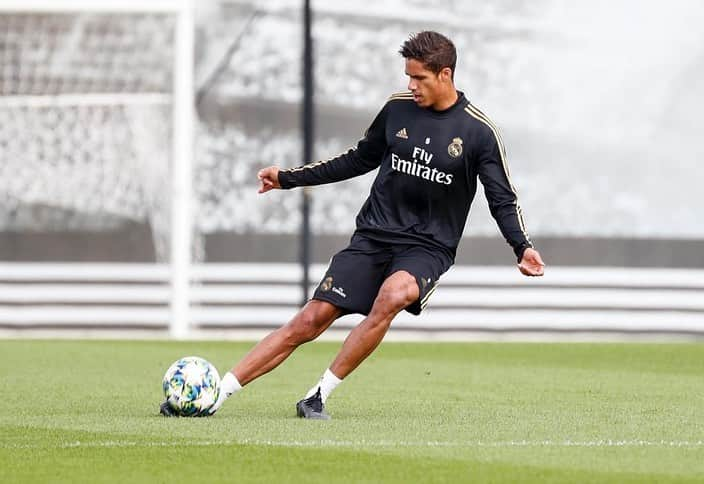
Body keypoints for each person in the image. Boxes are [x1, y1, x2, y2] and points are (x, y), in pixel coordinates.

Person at [161, 30, 545, 419]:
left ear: (445, 74)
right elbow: (358, 159)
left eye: (420, 79)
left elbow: (502, 198)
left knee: (392, 296)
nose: (411, 86)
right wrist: (288, 178)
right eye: (408, 77)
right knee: (310, 319)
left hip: (427, 248)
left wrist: (522, 246)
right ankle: (215, 397)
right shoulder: (397, 109)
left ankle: (317, 396)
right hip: (373, 237)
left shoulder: (479, 133)